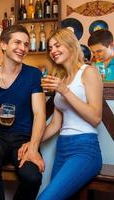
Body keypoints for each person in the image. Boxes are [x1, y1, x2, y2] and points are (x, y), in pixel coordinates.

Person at [0, 25, 46, 200]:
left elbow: (40, 114)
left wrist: (33, 147)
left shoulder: (34, 74)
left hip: (23, 139)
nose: (23, 48)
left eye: (26, 44)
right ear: (3, 45)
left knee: (33, 177)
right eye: (17, 42)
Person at [33, 28, 103, 200]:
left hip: (85, 149)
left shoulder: (88, 72)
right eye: (50, 48)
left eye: (57, 45)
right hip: (62, 148)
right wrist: (31, 143)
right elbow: (55, 125)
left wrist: (64, 91)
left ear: (71, 45)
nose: (53, 51)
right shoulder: (62, 79)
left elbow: (95, 118)